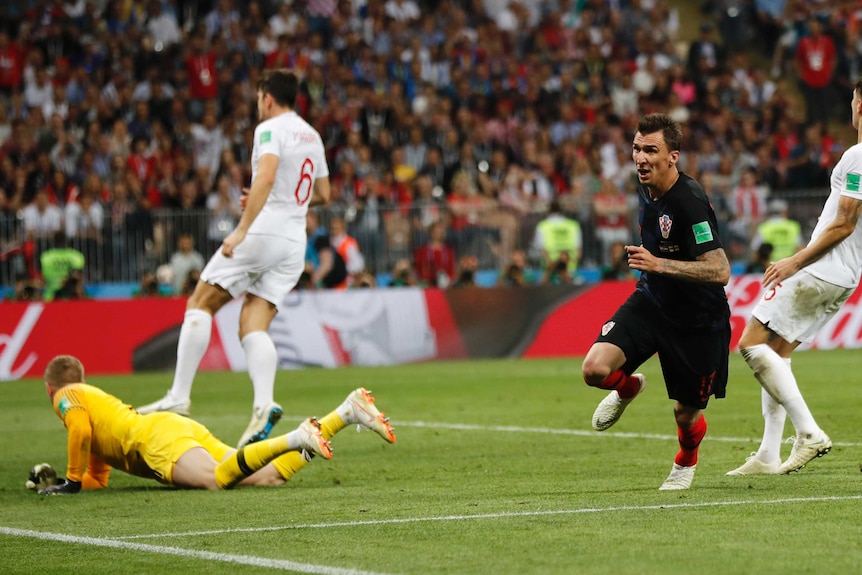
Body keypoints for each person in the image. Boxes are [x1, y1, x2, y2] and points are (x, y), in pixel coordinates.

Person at [137, 69, 332, 450]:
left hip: (264, 231)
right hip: (294, 242)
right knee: (252, 325)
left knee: (200, 302)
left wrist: (242, 228)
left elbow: (266, 176)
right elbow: (323, 193)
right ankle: (264, 404)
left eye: (259, 97)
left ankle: (178, 395)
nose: (258, 104)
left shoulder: (269, 129)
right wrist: (278, 197)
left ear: (268, 98)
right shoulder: (312, 134)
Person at [581, 114, 732, 491]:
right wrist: (654, 270)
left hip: (697, 319)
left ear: (673, 157)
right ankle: (628, 388)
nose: (641, 158)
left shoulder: (690, 202)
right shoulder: (643, 185)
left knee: (686, 414)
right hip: (653, 300)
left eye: (651, 150)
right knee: (594, 370)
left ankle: (685, 462)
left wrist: (657, 263)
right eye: (636, 149)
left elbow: (720, 270)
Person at [727, 78, 862, 477]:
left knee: (751, 345)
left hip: (822, 268)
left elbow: (844, 223)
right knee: (778, 353)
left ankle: (808, 433)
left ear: (860, 104)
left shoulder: (857, 157)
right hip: (846, 274)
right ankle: (768, 455)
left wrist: (796, 262)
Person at [31, 354, 395, 495]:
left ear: (50, 388)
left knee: (217, 481)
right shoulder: (92, 405)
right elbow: (96, 476)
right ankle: (346, 413)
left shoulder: (69, 394)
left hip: (158, 441)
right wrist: (57, 483)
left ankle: (299, 436)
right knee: (269, 476)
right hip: (170, 430)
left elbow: (78, 432)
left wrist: (71, 482)